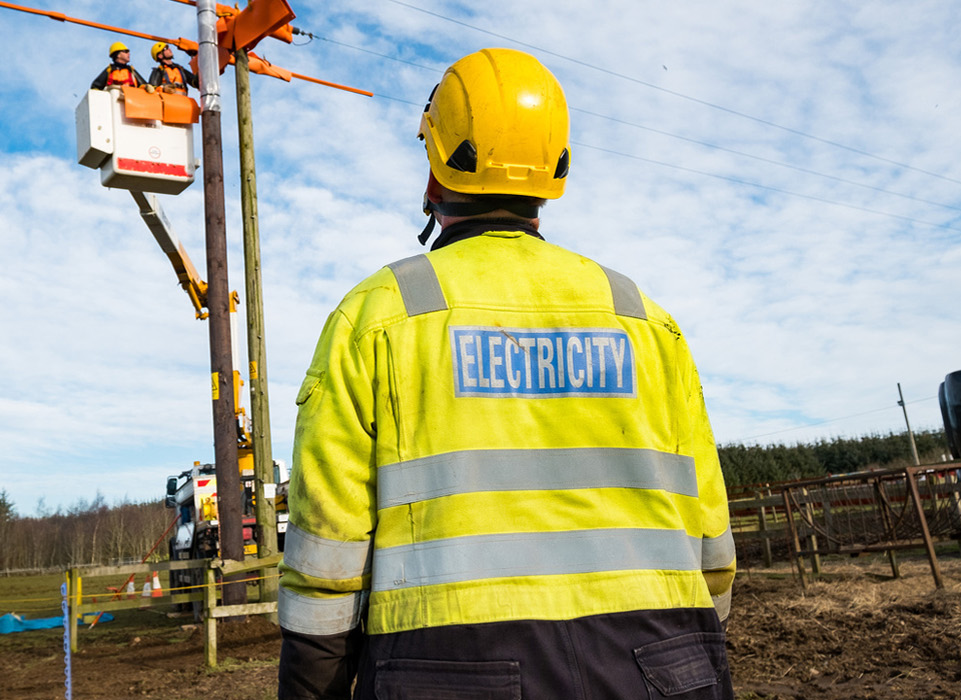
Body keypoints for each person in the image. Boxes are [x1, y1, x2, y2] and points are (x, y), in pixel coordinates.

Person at [277, 48, 736, 700]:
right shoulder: (644, 320)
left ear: (435, 176)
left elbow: (327, 563)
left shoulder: (377, 318)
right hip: (665, 668)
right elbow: (712, 550)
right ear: (554, 173)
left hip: (448, 674)